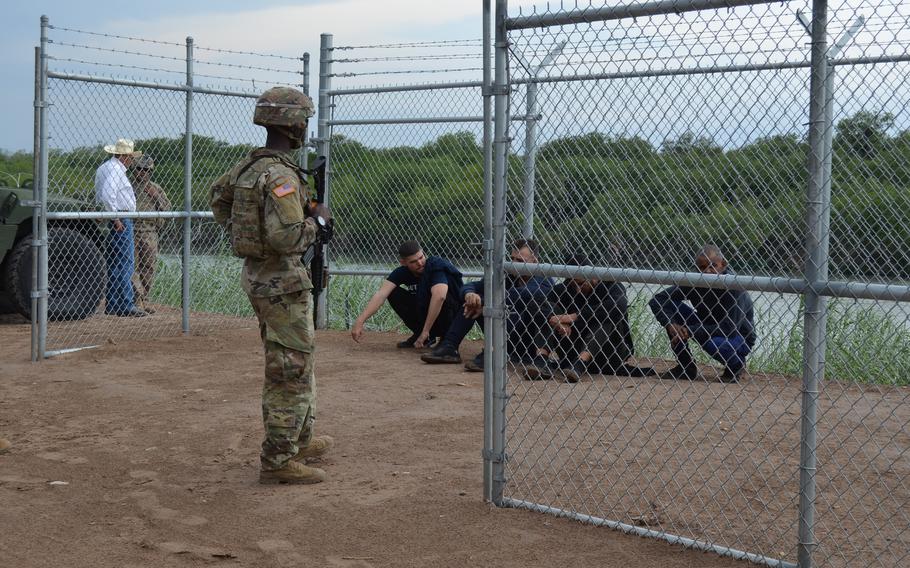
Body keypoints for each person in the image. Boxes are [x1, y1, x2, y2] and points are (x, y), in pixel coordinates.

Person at [210, 86, 333, 485]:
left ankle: (298, 439)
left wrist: (245, 234)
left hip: (262, 278)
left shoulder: (249, 166)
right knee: (288, 369)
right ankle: (278, 457)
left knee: (296, 361)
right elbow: (286, 237)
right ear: (295, 124)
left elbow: (218, 199)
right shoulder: (279, 174)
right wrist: (318, 223)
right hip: (282, 284)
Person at [420, 238, 552, 372]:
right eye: (512, 259)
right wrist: (470, 295)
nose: (513, 264)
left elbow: (518, 295)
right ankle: (450, 346)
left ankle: (495, 354)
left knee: (507, 308)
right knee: (472, 304)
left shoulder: (544, 277)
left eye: (519, 261)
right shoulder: (509, 274)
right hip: (504, 330)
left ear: (534, 261)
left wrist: (484, 303)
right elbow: (473, 285)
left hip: (526, 341)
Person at [526, 253, 654, 383]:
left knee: (606, 315)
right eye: (573, 284)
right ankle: (541, 361)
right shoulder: (565, 288)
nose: (577, 290)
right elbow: (534, 304)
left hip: (609, 354)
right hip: (572, 353)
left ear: (592, 275)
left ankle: (580, 364)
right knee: (549, 309)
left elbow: (618, 306)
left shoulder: (611, 284)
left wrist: (574, 317)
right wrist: (557, 321)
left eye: (581, 284)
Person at [648, 244, 756, 383]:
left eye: (713, 266)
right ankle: (686, 367)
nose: (707, 272)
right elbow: (658, 300)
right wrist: (670, 324)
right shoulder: (697, 281)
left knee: (713, 343)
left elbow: (729, 328)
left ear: (723, 265)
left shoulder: (733, 286)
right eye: (702, 267)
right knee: (670, 305)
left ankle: (736, 365)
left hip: (737, 336)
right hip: (708, 325)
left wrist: (690, 331)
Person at [351, 240, 463, 349]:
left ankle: (446, 339)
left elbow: (440, 297)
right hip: (426, 314)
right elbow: (381, 295)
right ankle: (423, 335)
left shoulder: (435, 267)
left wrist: (426, 331)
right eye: (413, 261)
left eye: (421, 257)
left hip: (451, 316)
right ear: (403, 263)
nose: (420, 263)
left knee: (441, 295)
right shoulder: (402, 272)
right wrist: (360, 321)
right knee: (393, 293)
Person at [95, 138, 146, 317]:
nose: (132, 160)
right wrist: (116, 217)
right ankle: (125, 303)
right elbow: (108, 195)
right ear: (125, 156)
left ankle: (114, 303)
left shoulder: (106, 167)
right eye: (131, 157)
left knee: (115, 261)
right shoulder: (116, 170)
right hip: (121, 217)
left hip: (113, 216)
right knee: (125, 261)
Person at [130, 155, 172, 314]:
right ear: (134, 170)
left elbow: (167, 210)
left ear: (151, 172)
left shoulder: (156, 188)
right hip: (132, 229)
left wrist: (155, 196)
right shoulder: (129, 186)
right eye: (139, 169)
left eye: (146, 170)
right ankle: (136, 299)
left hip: (149, 230)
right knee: (132, 266)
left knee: (148, 266)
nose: (142, 173)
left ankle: (145, 299)